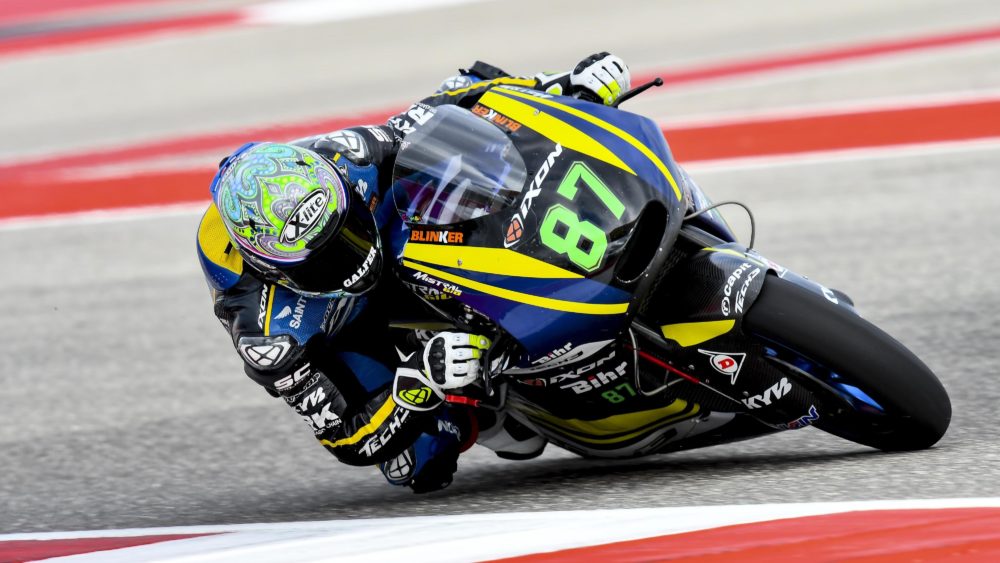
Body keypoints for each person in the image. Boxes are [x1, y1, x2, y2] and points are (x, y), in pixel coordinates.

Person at [195, 53, 632, 493]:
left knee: (454, 166)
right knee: (417, 460)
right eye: (325, 260)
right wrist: (423, 379)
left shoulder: (348, 157)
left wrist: (557, 85)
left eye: (348, 232)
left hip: (389, 235)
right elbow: (346, 437)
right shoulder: (268, 335)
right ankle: (491, 411)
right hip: (343, 328)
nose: (352, 260)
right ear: (272, 269)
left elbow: (445, 104)